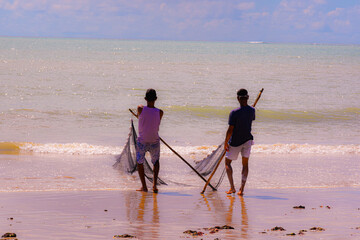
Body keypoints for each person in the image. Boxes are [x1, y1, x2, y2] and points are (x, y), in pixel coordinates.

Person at [224, 89, 255, 196]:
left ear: (238, 98)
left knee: (227, 163)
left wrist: (225, 142)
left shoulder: (234, 112)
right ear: (248, 98)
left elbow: (230, 130)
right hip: (247, 140)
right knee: (245, 164)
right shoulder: (252, 110)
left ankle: (232, 188)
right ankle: (241, 190)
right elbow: (250, 120)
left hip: (235, 142)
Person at [136, 89, 164, 193]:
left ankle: (144, 186)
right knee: (156, 162)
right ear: (156, 99)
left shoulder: (140, 109)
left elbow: (140, 116)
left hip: (142, 141)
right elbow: (156, 124)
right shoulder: (160, 112)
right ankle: (154, 186)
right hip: (154, 141)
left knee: (139, 162)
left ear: (145, 99)